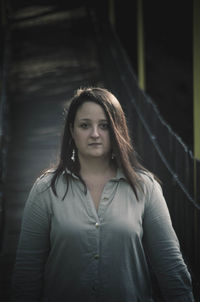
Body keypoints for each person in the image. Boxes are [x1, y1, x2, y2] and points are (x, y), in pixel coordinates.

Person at [11, 87, 195, 302]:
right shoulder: (46, 190)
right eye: (85, 125)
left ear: (117, 129)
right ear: (72, 130)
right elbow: (27, 273)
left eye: (105, 126)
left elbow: (171, 268)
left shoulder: (145, 188)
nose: (95, 134)